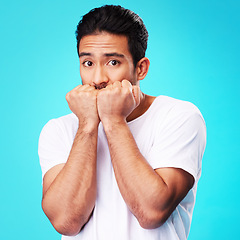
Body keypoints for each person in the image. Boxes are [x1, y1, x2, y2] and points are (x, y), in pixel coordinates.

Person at [38, 5, 206, 240]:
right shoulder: (59, 129)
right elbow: (66, 221)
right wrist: (87, 124)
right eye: (88, 63)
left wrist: (114, 120)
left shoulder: (179, 116)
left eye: (113, 63)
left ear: (141, 68)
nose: (98, 79)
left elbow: (151, 212)